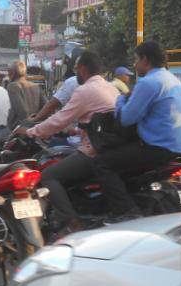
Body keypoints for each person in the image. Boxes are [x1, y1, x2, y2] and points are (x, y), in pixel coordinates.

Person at [13, 50, 119, 231]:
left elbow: (59, 118)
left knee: (47, 175)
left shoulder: (85, 90)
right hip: (108, 147)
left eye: (76, 68)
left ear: (83, 69)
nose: (75, 72)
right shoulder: (111, 88)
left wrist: (31, 132)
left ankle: (71, 222)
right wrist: (74, 131)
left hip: (93, 151)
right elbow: (98, 122)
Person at [95, 42, 181, 221]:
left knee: (102, 163)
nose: (134, 65)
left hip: (158, 148)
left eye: (136, 60)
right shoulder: (172, 79)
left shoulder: (149, 82)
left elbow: (126, 119)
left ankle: (127, 211)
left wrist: (120, 100)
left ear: (145, 60)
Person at [31, 47, 84, 123]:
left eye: (76, 66)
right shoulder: (101, 82)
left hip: (74, 126)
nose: (74, 67)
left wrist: (34, 120)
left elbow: (51, 105)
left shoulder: (72, 82)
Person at [6, 60, 46, 130]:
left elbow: (21, 110)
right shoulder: (35, 86)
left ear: (12, 73)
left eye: (8, 72)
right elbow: (46, 106)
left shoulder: (12, 86)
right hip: (35, 126)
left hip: (20, 128)